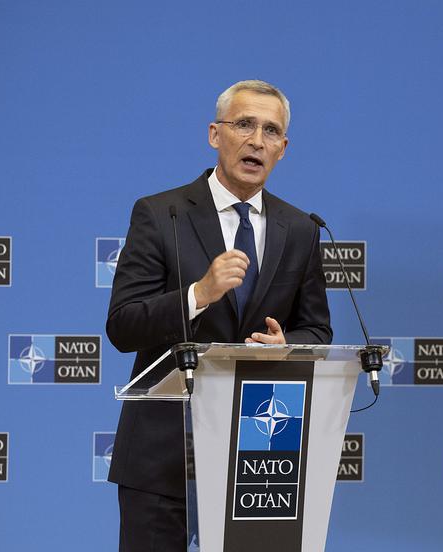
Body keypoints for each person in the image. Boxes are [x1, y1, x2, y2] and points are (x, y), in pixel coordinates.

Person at [106, 80, 332, 551]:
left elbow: (317, 327)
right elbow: (123, 325)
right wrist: (197, 294)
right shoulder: (160, 213)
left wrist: (286, 344)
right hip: (165, 452)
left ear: (283, 149)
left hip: (261, 454)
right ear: (215, 134)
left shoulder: (301, 229)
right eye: (244, 124)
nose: (257, 140)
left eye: (271, 131)